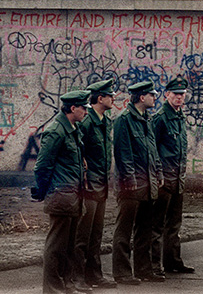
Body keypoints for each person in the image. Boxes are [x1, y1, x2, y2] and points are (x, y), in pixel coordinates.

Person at [32, 89, 91, 294]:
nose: (86, 111)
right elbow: (42, 166)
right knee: (56, 245)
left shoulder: (73, 129)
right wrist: (42, 191)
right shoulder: (56, 130)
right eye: (83, 108)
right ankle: (52, 288)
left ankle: (66, 284)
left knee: (69, 245)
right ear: (73, 108)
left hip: (73, 195)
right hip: (61, 195)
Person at [112, 80, 163, 285]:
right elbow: (123, 153)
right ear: (142, 97)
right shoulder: (124, 119)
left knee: (144, 228)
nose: (155, 98)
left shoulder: (146, 118)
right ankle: (122, 273)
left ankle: (143, 269)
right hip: (130, 185)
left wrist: (158, 173)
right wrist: (130, 180)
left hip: (148, 182)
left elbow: (152, 149)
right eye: (152, 95)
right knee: (124, 229)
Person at [73, 78, 117, 290]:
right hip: (89, 186)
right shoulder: (88, 122)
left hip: (102, 184)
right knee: (83, 235)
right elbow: (78, 152)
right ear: (100, 98)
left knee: (96, 233)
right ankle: (78, 276)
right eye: (110, 95)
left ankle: (94, 274)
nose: (113, 98)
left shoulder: (105, 120)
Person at [151, 76, 195, 276]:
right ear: (166, 94)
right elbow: (152, 150)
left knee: (174, 224)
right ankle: (154, 266)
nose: (179, 97)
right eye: (175, 94)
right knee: (157, 225)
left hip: (178, 179)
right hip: (164, 180)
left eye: (182, 94)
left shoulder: (179, 116)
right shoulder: (161, 118)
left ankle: (173, 261)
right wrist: (157, 176)